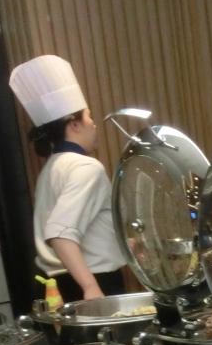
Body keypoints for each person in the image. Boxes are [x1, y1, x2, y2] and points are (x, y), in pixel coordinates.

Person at [9, 55, 127, 302]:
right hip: (91, 281)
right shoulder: (86, 167)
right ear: (74, 125)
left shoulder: (53, 167)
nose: (94, 125)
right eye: (89, 117)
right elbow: (60, 233)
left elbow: (84, 227)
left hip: (58, 284)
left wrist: (126, 244)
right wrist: (90, 287)